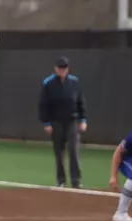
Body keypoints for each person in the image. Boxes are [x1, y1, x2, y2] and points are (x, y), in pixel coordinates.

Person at [38, 56, 87, 189]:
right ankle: (61, 180)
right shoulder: (48, 83)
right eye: (60, 68)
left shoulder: (74, 82)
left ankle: (76, 181)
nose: (62, 70)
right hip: (56, 121)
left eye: (64, 68)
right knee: (59, 152)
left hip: (72, 120)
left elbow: (80, 101)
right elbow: (43, 104)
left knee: (73, 150)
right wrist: (46, 123)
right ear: (55, 69)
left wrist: (83, 120)